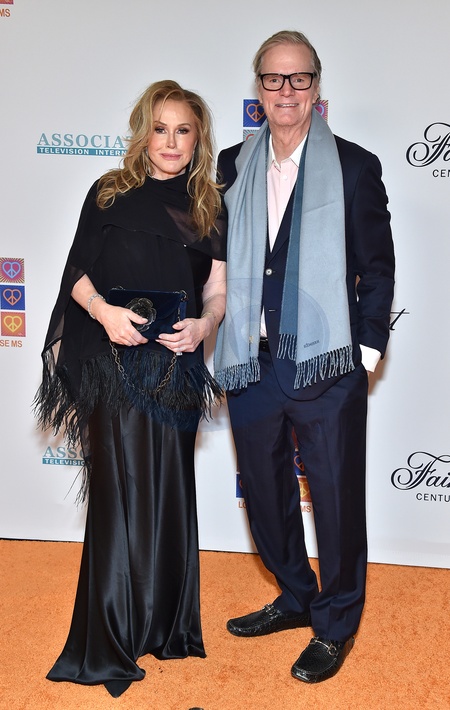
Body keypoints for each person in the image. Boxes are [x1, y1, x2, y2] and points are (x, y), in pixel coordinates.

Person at [34, 80, 226, 697]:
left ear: (198, 139)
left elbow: (217, 289)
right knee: (119, 492)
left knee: (170, 487)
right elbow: (75, 273)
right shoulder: (109, 193)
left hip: (174, 366)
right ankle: (113, 634)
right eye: (160, 128)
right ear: (143, 133)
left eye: (183, 130)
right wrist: (103, 313)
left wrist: (204, 325)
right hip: (113, 363)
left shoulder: (209, 208)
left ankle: (165, 626)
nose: (170, 141)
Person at [214, 30, 395, 684]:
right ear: (258, 87)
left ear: (316, 87)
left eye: (299, 78)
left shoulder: (354, 167)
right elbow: (215, 258)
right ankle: (295, 596)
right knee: (265, 498)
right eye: (273, 78)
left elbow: (377, 268)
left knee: (337, 503)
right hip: (252, 363)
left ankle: (336, 622)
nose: (285, 91)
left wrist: (363, 354)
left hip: (327, 366)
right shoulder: (232, 165)